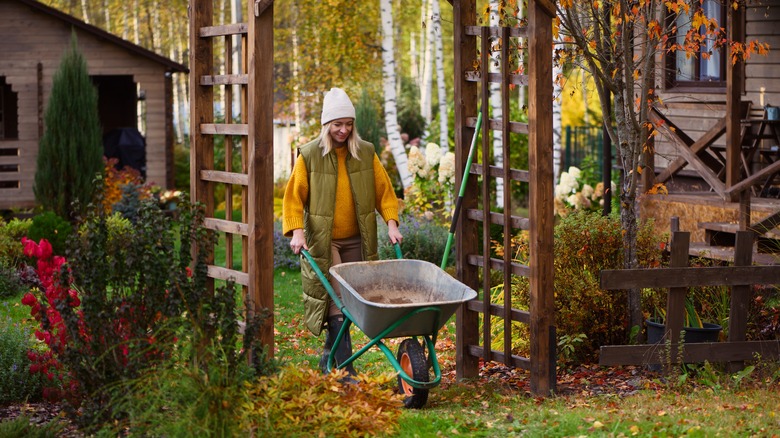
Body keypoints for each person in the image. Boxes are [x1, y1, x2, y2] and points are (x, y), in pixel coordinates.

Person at [283, 87, 403, 377]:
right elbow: (293, 198)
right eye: (338, 124)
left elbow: (384, 191)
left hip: (358, 239)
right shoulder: (310, 155)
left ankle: (329, 358)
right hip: (327, 241)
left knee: (350, 303)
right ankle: (347, 373)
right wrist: (297, 232)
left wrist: (391, 223)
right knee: (340, 301)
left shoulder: (365, 153)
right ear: (327, 125)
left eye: (348, 124)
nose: (344, 130)